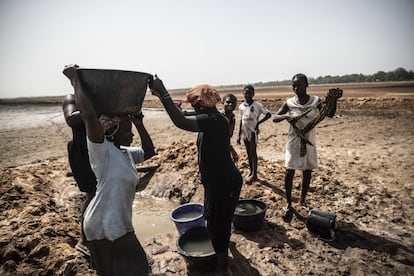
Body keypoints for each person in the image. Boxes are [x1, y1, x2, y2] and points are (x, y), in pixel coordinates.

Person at [65, 65, 156, 275]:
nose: (131, 135)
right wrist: (75, 79)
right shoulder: (101, 152)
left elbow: (149, 152)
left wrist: (138, 123)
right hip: (102, 229)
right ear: (113, 130)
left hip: (118, 227)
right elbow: (88, 117)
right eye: (127, 130)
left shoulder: (125, 154)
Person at [151, 78, 242, 276]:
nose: (193, 108)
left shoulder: (215, 121)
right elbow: (183, 114)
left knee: (220, 223)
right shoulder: (210, 116)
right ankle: (223, 246)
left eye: (195, 104)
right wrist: (162, 99)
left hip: (225, 182)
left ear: (201, 104)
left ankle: (223, 266)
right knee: (212, 217)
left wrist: (164, 93)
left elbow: (180, 121)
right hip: (217, 181)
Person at [273, 73, 338, 218]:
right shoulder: (289, 103)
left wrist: (334, 100)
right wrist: (285, 116)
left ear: (306, 85)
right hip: (293, 141)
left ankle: (302, 200)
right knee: (289, 171)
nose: (296, 88)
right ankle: (289, 203)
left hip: (309, 141)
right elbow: (275, 118)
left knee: (307, 171)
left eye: (299, 85)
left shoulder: (315, 101)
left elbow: (330, 114)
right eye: (293, 85)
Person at [62, 93, 97, 256]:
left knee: (104, 192)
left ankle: (100, 232)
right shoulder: (72, 98)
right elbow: (70, 118)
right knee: (92, 193)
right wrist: (92, 110)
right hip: (82, 150)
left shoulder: (97, 98)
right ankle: (83, 241)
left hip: (99, 147)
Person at [237, 85, 271, 183]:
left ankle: (254, 174)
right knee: (248, 152)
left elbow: (268, 114)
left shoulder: (257, 105)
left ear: (253, 94)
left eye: (250, 93)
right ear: (243, 94)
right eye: (246, 93)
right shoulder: (241, 106)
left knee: (253, 152)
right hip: (245, 131)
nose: (248, 95)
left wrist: (258, 123)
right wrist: (239, 135)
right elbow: (241, 120)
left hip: (252, 131)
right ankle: (251, 171)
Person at [222, 94, 239, 163]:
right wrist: (232, 150)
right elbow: (221, 138)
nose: (230, 104)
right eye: (228, 102)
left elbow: (228, 136)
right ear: (223, 103)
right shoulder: (220, 118)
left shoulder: (232, 118)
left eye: (233, 103)